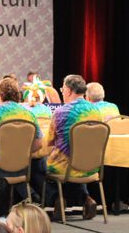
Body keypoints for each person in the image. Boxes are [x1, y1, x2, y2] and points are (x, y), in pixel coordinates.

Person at [31, 74, 103, 221]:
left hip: (65, 165)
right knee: (72, 163)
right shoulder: (96, 111)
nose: (62, 92)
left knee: (37, 162)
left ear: (68, 91)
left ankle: (57, 199)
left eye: (62, 90)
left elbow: (49, 142)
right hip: (91, 165)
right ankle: (86, 199)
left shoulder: (60, 112)